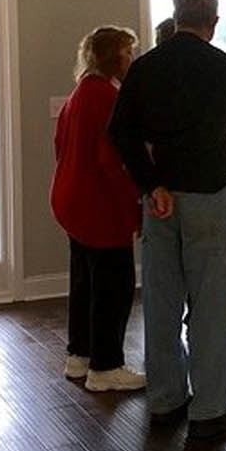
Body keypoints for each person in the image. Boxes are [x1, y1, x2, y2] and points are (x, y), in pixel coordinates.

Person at [109, 0, 226, 440]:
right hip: (208, 197)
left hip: (159, 201)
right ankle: (209, 411)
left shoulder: (146, 66)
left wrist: (152, 184)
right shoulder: (222, 67)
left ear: (175, 15)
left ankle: (166, 402)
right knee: (212, 306)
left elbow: (121, 132)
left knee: (162, 302)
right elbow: (212, 133)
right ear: (214, 21)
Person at [50, 26, 147, 392]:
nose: (131, 59)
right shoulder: (107, 96)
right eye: (127, 52)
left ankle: (80, 357)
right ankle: (106, 368)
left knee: (84, 281)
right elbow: (112, 162)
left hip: (72, 201)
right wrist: (134, 207)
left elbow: (60, 145)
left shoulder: (79, 92)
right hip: (98, 207)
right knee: (114, 287)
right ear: (113, 56)